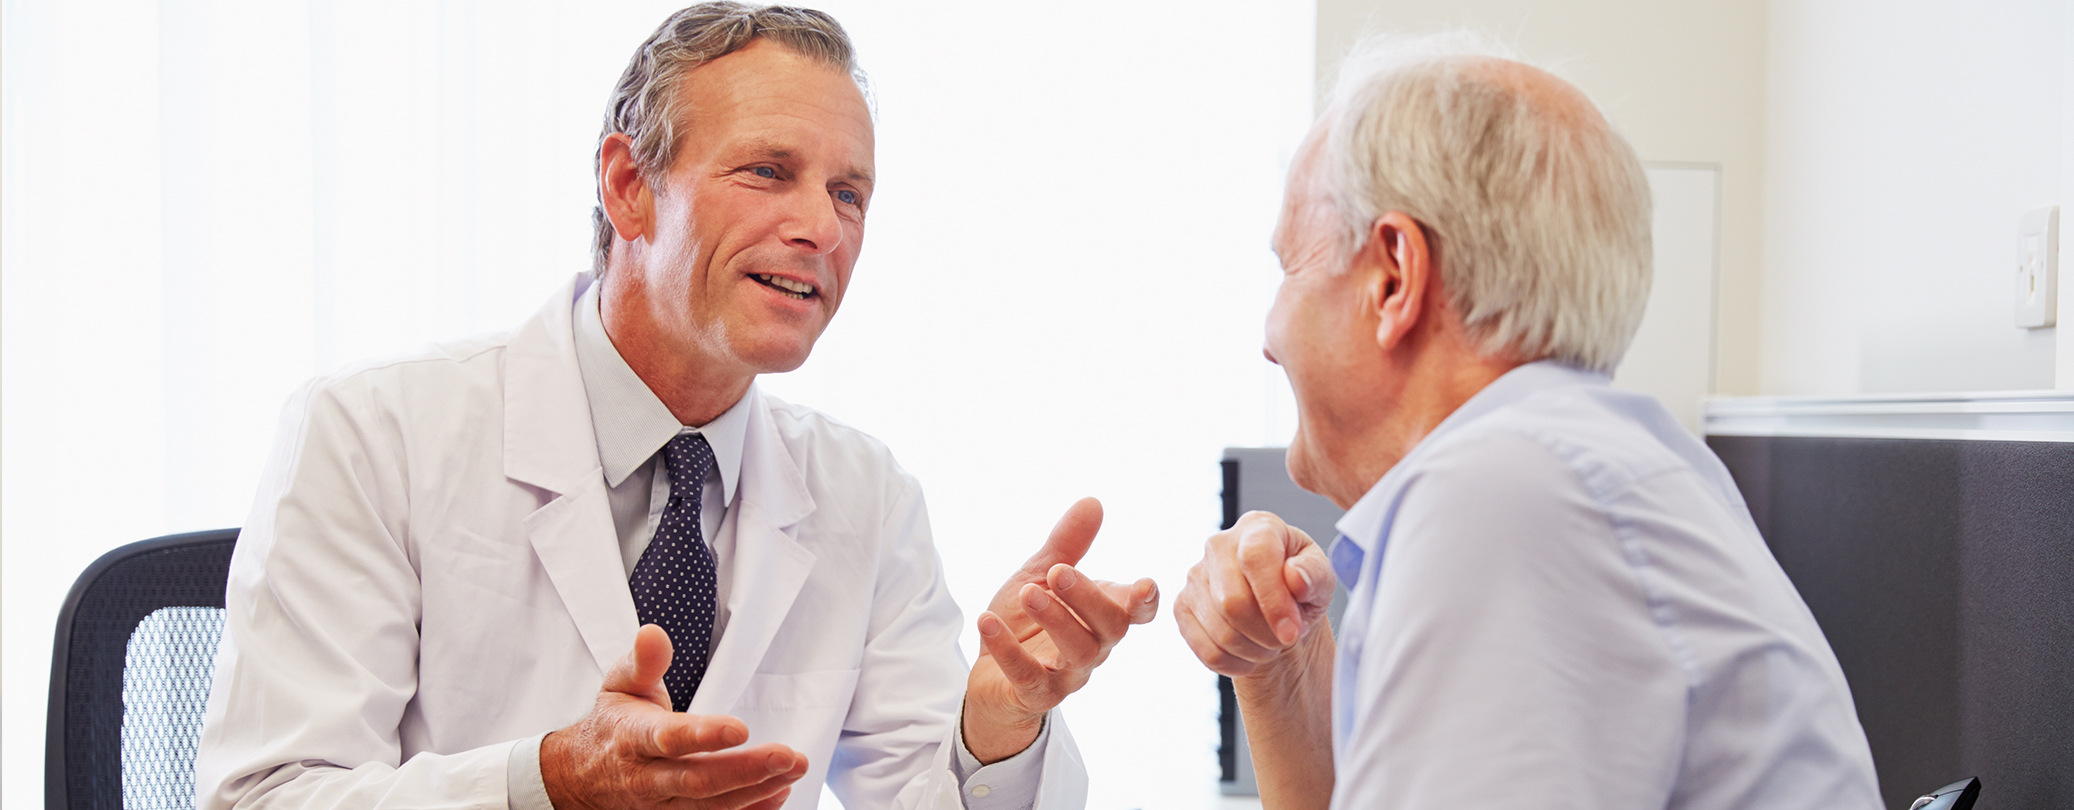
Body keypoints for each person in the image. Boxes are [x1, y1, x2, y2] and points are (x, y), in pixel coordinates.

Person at [195, 5, 1157, 810]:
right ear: (629, 187)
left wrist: (996, 726)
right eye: (768, 171)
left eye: (849, 193)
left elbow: (922, 793)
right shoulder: (373, 432)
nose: (821, 228)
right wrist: (546, 782)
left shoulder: (866, 495)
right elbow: (264, 796)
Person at [1172, 35, 1883, 809]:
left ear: (1394, 279)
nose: (1267, 337)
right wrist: (1282, 664)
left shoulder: (1498, 495)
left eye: (1290, 268)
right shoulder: (1583, 467)